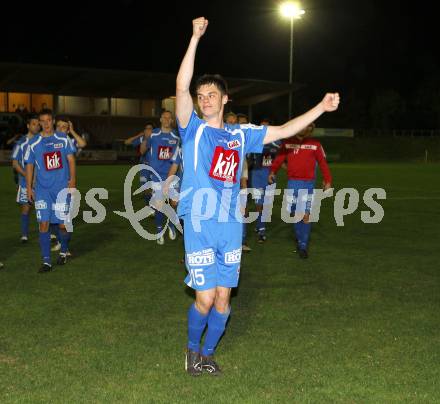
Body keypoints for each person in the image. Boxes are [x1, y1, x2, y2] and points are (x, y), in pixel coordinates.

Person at [176, 17, 340, 376]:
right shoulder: (192, 129)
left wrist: (320, 108)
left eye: (211, 95)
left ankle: (207, 354)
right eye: (200, 96)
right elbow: (181, 83)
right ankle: (190, 351)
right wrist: (194, 39)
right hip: (200, 223)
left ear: (225, 98)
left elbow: (283, 129)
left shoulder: (241, 134)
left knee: (223, 300)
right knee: (204, 299)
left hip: (232, 225)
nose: (204, 100)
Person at [268, 123, 332, 258]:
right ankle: (299, 237)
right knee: (295, 214)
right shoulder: (287, 143)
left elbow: (322, 163)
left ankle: (303, 245)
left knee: (306, 215)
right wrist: (272, 172)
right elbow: (279, 159)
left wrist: (328, 180)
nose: (304, 128)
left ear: (310, 129)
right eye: (302, 125)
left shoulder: (315, 144)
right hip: (293, 183)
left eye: (307, 126)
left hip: (308, 184)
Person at [25, 109, 76, 272]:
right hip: (42, 191)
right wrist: (28, 188)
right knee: (44, 224)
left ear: (53, 121)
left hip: (61, 189)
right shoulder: (33, 143)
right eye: (42, 121)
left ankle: (63, 250)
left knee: (62, 225)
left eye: (48, 120)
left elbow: (71, 159)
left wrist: (72, 180)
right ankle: (46, 261)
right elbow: (29, 166)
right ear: (39, 123)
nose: (46, 124)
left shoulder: (63, 139)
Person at [139, 111, 180, 245]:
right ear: (161, 119)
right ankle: (159, 230)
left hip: (171, 174)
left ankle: (171, 224)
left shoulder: (176, 137)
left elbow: (178, 157)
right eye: (165, 117)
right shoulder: (153, 134)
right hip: (156, 175)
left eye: (170, 118)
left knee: (174, 203)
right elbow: (142, 151)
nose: (167, 119)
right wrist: (145, 138)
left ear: (172, 120)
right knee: (159, 204)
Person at [248, 118, 280, 243]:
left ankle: (259, 225)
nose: (264, 129)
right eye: (262, 127)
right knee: (259, 205)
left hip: (270, 176)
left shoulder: (276, 142)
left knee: (267, 205)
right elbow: (248, 159)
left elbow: (280, 158)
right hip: (256, 175)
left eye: (266, 126)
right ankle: (262, 231)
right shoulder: (253, 141)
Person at [11, 114, 40, 242]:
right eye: (34, 123)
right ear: (28, 126)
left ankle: (50, 234)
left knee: (45, 207)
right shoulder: (21, 142)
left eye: (38, 124)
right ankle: (24, 234)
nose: (37, 126)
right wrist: (27, 176)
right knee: (26, 208)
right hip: (25, 182)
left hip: (41, 182)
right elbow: (15, 163)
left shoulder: (42, 140)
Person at [125, 122, 155, 213]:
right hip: (144, 167)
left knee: (155, 189)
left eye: (150, 129)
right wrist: (139, 135)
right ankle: (149, 207)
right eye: (146, 129)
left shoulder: (156, 138)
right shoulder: (142, 138)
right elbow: (127, 142)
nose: (148, 130)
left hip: (155, 167)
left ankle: (154, 207)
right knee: (145, 188)